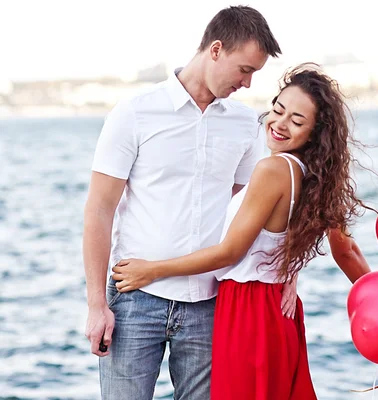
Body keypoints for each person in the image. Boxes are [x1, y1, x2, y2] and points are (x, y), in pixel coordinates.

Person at [111, 63, 373, 399]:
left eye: (296, 121)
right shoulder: (318, 178)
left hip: (248, 314)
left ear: (314, 132)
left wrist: (151, 270)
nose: (279, 124)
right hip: (276, 312)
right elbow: (346, 251)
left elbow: (230, 252)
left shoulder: (272, 170)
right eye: (278, 110)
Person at [82, 6, 282, 400]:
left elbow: (246, 214)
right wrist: (95, 305)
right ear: (216, 50)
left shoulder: (245, 124)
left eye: (254, 74)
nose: (247, 83)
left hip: (209, 303)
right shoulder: (135, 113)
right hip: (135, 301)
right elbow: (99, 210)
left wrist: (287, 274)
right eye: (244, 69)